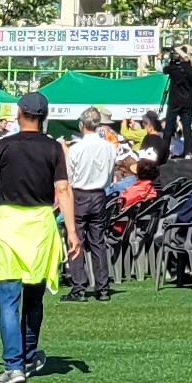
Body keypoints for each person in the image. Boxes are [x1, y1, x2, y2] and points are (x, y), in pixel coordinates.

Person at [0, 96, 82, 383]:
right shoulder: (53, 147)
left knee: (8, 299)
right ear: (44, 116)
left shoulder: (2, 146)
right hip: (40, 225)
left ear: (20, 113)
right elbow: (63, 189)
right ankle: (29, 355)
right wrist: (72, 231)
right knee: (34, 298)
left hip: (9, 225)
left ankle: (14, 365)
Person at [64, 111, 120, 299]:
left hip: (80, 194)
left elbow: (69, 177)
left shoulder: (76, 148)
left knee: (75, 239)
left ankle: (79, 286)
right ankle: (102, 287)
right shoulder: (109, 147)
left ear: (82, 124)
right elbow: (111, 172)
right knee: (98, 241)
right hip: (99, 195)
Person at [161, 47, 192, 151]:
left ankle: (164, 151)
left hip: (174, 102)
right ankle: (187, 152)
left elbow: (161, 69)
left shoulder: (174, 68)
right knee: (187, 128)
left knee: (169, 127)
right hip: (187, 102)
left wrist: (162, 59)